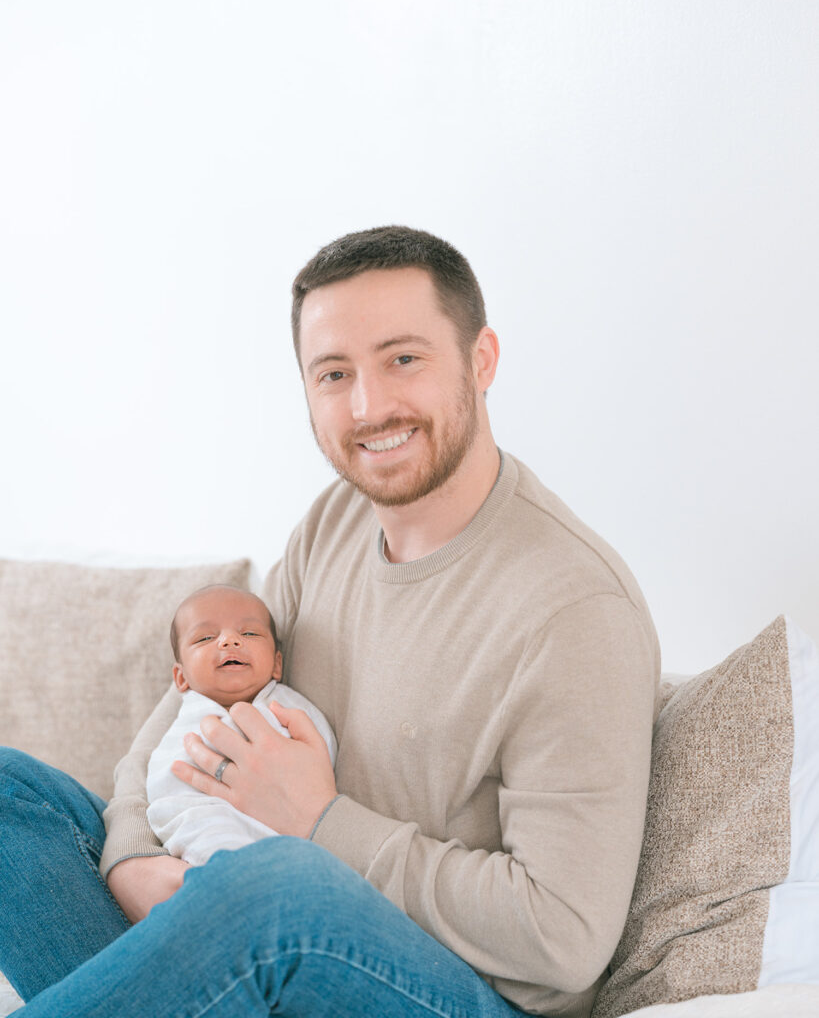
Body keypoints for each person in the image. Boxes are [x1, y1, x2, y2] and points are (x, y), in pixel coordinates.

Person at [0, 226, 660, 1018]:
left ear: (480, 360)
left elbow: (564, 935)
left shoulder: (574, 611)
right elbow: (199, 698)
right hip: (255, 932)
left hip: (457, 995)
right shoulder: (334, 523)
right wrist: (133, 856)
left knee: (275, 887)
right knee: (8, 792)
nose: (368, 406)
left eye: (402, 359)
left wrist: (320, 822)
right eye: (335, 373)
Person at [146, 584, 337, 866]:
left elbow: (322, 759)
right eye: (205, 637)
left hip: (293, 843)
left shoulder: (290, 708)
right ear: (181, 677)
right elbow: (166, 793)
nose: (229, 641)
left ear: (277, 664)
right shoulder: (184, 726)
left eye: (249, 633)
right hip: (209, 841)